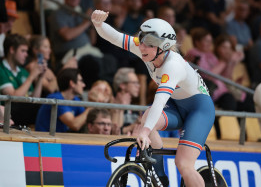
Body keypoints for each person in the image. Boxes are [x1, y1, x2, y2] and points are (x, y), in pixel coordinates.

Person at [91, 10, 215, 187]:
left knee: (184, 164)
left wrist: (144, 132)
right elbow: (116, 38)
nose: (142, 47)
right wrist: (98, 24)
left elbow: (160, 100)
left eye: (148, 44)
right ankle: (160, 179)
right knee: (147, 117)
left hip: (199, 110)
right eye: (141, 41)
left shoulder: (173, 65)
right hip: (177, 104)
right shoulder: (146, 48)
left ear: (163, 46)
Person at [0, 34, 46, 125]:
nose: (26, 55)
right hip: (8, 117)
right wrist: (31, 77)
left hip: (24, 116)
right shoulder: (1, 70)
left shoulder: (24, 72)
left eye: (27, 51)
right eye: (23, 51)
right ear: (12, 49)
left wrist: (40, 78)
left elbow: (35, 99)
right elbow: (13, 98)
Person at [35, 68, 88, 132]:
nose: (84, 85)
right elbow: (75, 125)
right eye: (81, 81)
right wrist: (92, 106)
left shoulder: (75, 99)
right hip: (44, 140)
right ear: (72, 83)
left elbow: (85, 120)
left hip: (60, 139)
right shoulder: (55, 99)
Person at [112, 68, 141, 135]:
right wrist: (132, 127)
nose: (138, 86)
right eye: (134, 83)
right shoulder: (111, 105)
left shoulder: (135, 109)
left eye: (138, 83)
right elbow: (114, 132)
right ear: (122, 85)